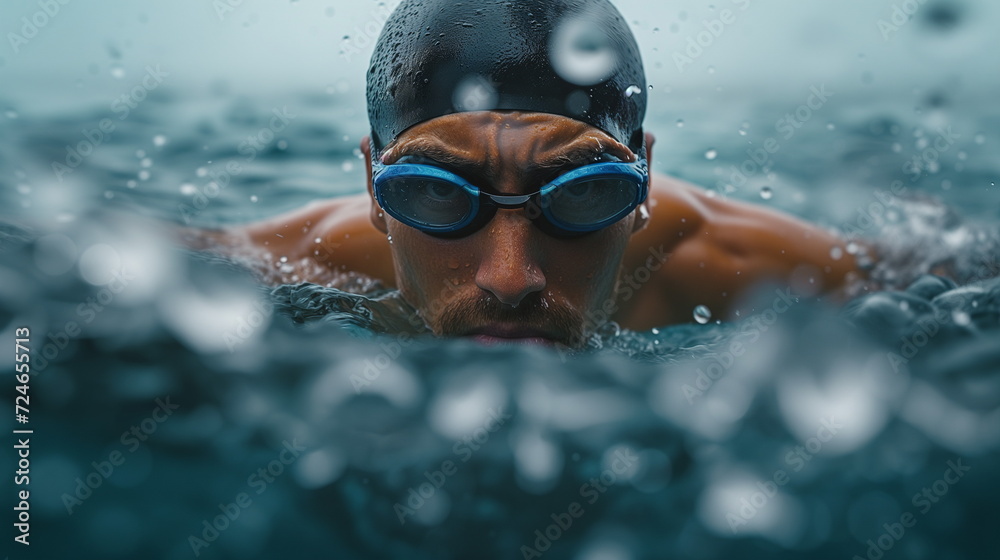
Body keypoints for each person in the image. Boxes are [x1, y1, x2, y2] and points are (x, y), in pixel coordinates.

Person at [190, 0, 862, 348]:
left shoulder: (757, 272)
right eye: (433, 193)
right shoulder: (293, 265)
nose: (511, 280)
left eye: (584, 192)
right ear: (373, 186)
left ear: (645, 184)